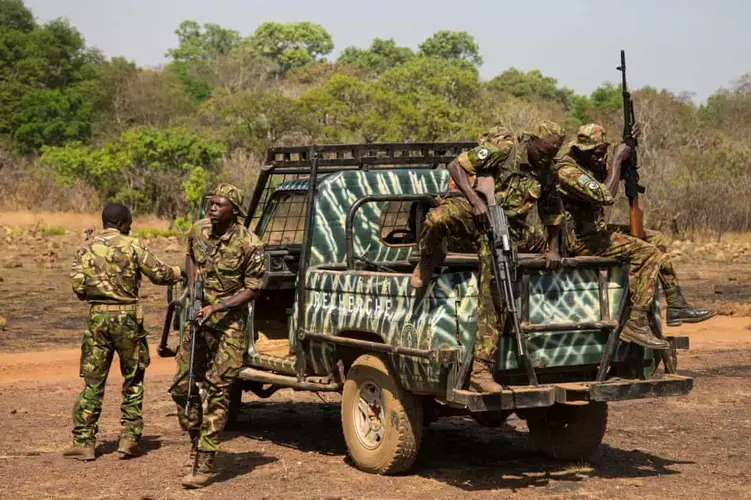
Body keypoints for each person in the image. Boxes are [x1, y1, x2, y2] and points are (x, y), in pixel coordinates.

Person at [555, 124, 715, 350]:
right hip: (579, 240)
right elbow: (605, 195)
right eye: (597, 155)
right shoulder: (567, 171)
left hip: (595, 232)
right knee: (647, 253)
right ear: (581, 150)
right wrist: (618, 160)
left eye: (604, 155)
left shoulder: (588, 163)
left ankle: (676, 303)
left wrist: (628, 148)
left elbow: (609, 177)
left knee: (656, 240)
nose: (602, 160)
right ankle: (636, 323)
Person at [64, 203, 182, 461]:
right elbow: (160, 274)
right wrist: (182, 273)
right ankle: (129, 438)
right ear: (121, 223)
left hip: (98, 319)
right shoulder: (133, 246)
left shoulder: (85, 248)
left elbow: (79, 289)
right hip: (128, 317)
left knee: (93, 381)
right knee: (133, 378)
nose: (131, 226)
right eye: (129, 222)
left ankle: (84, 440)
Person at [172, 183, 265, 489]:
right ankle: (196, 441)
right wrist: (192, 276)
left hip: (229, 326)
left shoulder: (250, 243)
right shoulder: (198, 231)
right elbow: (189, 257)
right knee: (182, 387)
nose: (212, 208)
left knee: (217, 390)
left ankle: (204, 462)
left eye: (219, 204)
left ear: (234, 211)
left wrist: (218, 306)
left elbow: (253, 288)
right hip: (197, 320)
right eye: (211, 203)